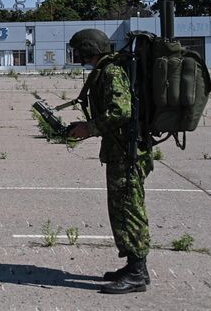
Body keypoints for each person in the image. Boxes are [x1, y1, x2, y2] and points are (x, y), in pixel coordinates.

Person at [67, 29, 151, 294]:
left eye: (79, 49)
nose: (76, 54)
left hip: (127, 153)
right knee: (122, 209)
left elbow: (120, 111)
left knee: (129, 211)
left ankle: (137, 273)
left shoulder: (111, 72)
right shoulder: (106, 69)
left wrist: (89, 128)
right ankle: (135, 267)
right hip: (120, 151)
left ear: (89, 48)